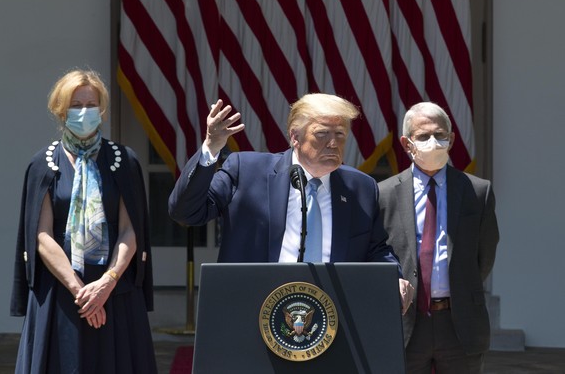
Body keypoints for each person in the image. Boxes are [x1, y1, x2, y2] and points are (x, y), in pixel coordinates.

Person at [168, 93, 413, 312]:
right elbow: (186, 212)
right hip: (254, 310)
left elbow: (377, 248)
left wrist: (392, 276)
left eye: (340, 135)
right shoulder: (247, 170)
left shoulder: (361, 187)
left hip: (334, 315)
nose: (333, 143)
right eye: (322, 134)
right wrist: (211, 148)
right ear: (295, 137)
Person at [10, 69, 157, 373]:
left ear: (101, 109)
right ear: (61, 111)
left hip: (115, 293)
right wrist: (82, 292)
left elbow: (131, 230)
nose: (85, 112)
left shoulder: (123, 160)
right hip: (62, 292)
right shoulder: (43, 164)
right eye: (76, 105)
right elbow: (42, 236)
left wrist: (106, 283)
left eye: (91, 105)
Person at [378, 102, 499, 373]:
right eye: (423, 136)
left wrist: (457, 285)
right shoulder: (384, 194)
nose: (433, 142)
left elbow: (485, 255)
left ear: (452, 139)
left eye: (440, 135)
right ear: (407, 143)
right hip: (405, 322)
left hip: (459, 322)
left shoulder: (478, 192)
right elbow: (377, 250)